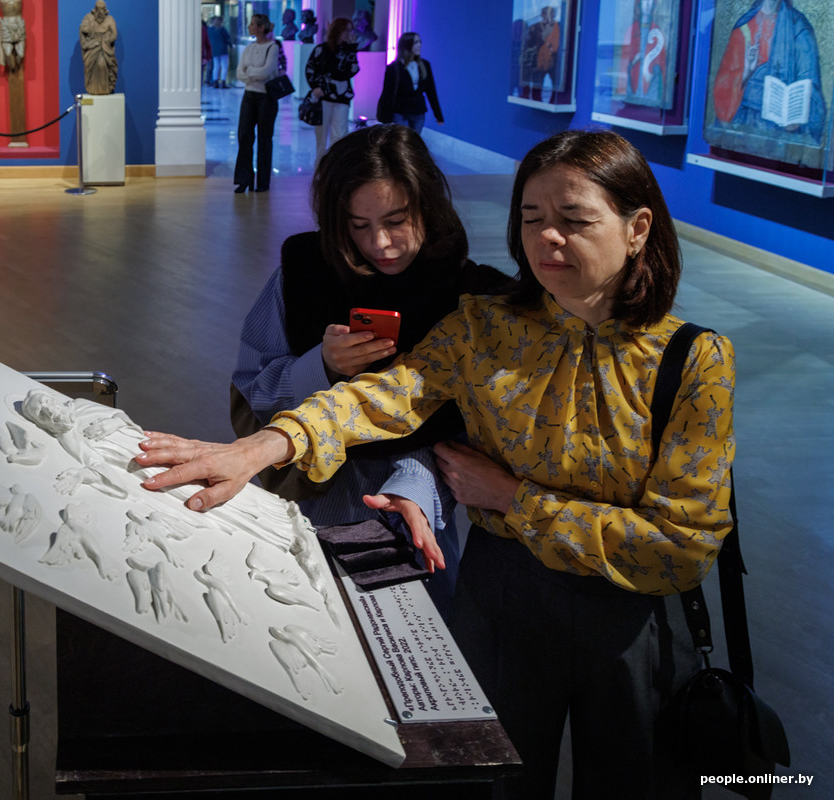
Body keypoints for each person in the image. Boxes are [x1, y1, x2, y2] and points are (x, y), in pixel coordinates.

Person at [138, 129, 735, 799]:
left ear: (637, 228)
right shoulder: (485, 326)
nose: (547, 238)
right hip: (503, 593)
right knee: (490, 777)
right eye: (531, 218)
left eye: (574, 219)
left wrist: (513, 499)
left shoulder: (692, 359)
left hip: (629, 616)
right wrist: (256, 448)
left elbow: (681, 548)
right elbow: (382, 398)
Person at [231, 124, 513, 612]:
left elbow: (473, 434)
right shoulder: (304, 273)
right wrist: (319, 366)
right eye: (358, 226)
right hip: (304, 509)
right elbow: (249, 390)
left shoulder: (473, 298)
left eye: (397, 220)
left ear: (429, 205)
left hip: (412, 522)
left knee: (402, 644)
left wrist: (414, 484)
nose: (380, 243)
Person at [712, 0, 825, 145]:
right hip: (747, 121)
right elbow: (725, 87)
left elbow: (809, 82)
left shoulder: (798, 27)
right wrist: (747, 72)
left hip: (783, 131)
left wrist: (797, 115)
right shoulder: (745, 26)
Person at [233, 14, 282, 194]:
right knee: (244, 136)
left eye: (252, 24)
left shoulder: (272, 47)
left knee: (264, 139)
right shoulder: (249, 48)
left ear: (261, 28)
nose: (249, 26)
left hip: (266, 98)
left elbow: (266, 71)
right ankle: (244, 179)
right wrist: (252, 74)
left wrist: (250, 72)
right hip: (249, 95)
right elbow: (239, 72)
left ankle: (263, 181)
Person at [306, 18, 359, 164]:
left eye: (350, 30)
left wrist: (352, 50)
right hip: (323, 97)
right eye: (346, 30)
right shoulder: (322, 49)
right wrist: (316, 87)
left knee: (339, 135)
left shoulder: (349, 51)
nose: (349, 34)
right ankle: (320, 168)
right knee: (321, 137)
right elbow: (311, 69)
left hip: (342, 97)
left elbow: (351, 70)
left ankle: (335, 168)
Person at [377, 32, 443, 132]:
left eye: (420, 42)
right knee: (403, 139)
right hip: (400, 112)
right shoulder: (394, 68)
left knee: (414, 139)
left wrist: (438, 114)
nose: (419, 45)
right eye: (416, 42)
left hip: (418, 111)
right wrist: (386, 118)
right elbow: (387, 93)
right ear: (407, 45)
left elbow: (431, 91)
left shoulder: (425, 65)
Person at [79, 0, 118, 95]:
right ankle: (92, 88)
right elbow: (82, 29)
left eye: (102, 9)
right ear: (95, 10)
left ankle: (105, 89)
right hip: (92, 46)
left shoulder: (110, 19)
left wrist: (107, 40)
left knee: (102, 64)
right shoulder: (88, 18)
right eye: (98, 9)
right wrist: (90, 29)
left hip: (104, 47)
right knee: (91, 68)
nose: (100, 12)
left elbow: (114, 34)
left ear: (105, 10)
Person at [208, 16, 232, 88]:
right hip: (223, 49)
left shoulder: (210, 29)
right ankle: (223, 83)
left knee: (216, 66)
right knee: (224, 66)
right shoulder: (222, 29)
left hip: (214, 50)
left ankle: (215, 82)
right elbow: (227, 38)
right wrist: (231, 45)